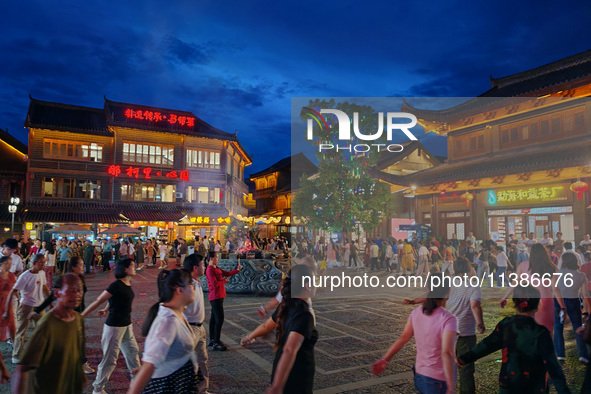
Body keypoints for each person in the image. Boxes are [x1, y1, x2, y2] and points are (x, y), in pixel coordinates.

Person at [458, 286, 570, 394]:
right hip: (534, 386)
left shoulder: (505, 324)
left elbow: (486, 345)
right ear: (538, 304)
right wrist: (564, 391)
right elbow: (553, 367)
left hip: (508, 383)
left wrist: (463, 359)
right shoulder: (541, 332)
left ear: (515, 303)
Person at [404, 257, 484, 394]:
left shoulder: (447, 282)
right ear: (469, 269)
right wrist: (480, 324)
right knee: (466, 367)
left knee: (440, 362)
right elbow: (475, 306)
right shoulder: (473, 286)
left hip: (445, 331)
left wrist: (414, 301)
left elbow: (432, 293)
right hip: (465, 332)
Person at [373, 282, 456, 394]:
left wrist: (385, 359)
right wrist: (451, 386)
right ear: (447, 293)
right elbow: (446, 353)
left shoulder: (416, 312)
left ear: (428, 290)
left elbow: (403, 338)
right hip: (439, 379)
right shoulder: (448, 319)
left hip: (420, 375)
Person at [12, 273, 86, 394]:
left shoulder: (78, 319)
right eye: (72, 290)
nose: (77, 295)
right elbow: (23, 368)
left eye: (80, 290)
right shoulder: (47, 325)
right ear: (57, 293)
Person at [128, 269, 197, 394]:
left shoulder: (178, 314)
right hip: (167, 386)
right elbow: (150, 364)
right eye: (192, 285)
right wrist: (146, 370)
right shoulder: (168, 322)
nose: (194, 289)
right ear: (179, 290)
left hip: (178, 382)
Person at [82, 258, 141, 394]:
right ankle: (97, 388)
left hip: (126, 325)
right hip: (114, 326)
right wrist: (83, 315)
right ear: (125, 269)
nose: (134, 267)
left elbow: (114, 299)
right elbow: (99, 300)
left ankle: (137, 381)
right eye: (132, 266)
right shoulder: (116, 285)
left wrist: (106, 309)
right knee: (110, 359)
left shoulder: (127, 283)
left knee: (132, 352)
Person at [266, 264, 318, 394]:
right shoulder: (305, 315)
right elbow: (290, 349)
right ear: (307, 285)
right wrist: (277, 386)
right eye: (315, 281)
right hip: (296, 375)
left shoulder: (286, 306)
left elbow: (267, 326)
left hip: (282, 369)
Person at [500, 243, 566, 335]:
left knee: (530, 333)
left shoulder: (523, 265)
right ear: (545, 253)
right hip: (547, 302)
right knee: (547, 332)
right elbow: (556, 289)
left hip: (530, 302)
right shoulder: (552, 267)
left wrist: (505, 297)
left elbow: (515, 282)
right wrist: (562, 306)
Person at [6, 253, 49, 364]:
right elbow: (14, 290)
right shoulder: (25, 276)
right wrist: (18, 299)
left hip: (39, 306)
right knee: (21, 331)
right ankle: (16, 355)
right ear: (34, 263)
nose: (44, 265)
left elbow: (44, 286)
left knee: (41, 331)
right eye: (41, 263)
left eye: (44, 262)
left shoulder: (42, 273)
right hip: (26, 306)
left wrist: (50, 301)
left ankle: (39, 353)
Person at [553, 253, 590, 363]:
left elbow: (555, 290)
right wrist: (588, 309)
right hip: (574, 301)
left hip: (558, 301)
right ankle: (582, 355)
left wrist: (561, 306)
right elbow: (585, 295)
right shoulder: (581, 275)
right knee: (577, 327)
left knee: (558, 328)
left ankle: (560, 354)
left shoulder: (557, 274)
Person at [183, 254, 210, 394]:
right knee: (189, 363)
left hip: (200, 327)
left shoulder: (197, 283)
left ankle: (203, 389)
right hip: (190, 328)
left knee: (202, 359)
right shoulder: (187, 286)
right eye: (203, 265)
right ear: (195, 267)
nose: (205, 267)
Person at [206, 251, 241, 351]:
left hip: (219, 295)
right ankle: (216, 342)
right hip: (215, 296)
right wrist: (224, 281)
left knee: (214, 318)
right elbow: (214, 284)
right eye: (217, 257)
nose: (218, 259)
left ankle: (212, 339)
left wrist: (237, 270)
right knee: (219, 319)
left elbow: (227, 273)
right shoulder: (209, 270)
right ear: (211, 258)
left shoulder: (216, 268)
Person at [0, 256, 16, 343]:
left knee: (11, 326)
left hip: (8, 303)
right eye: (6, 263)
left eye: (10, 263)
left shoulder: (11, 275)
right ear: (1, 265)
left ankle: (15, 348)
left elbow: (13, 291)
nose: (9, 265)